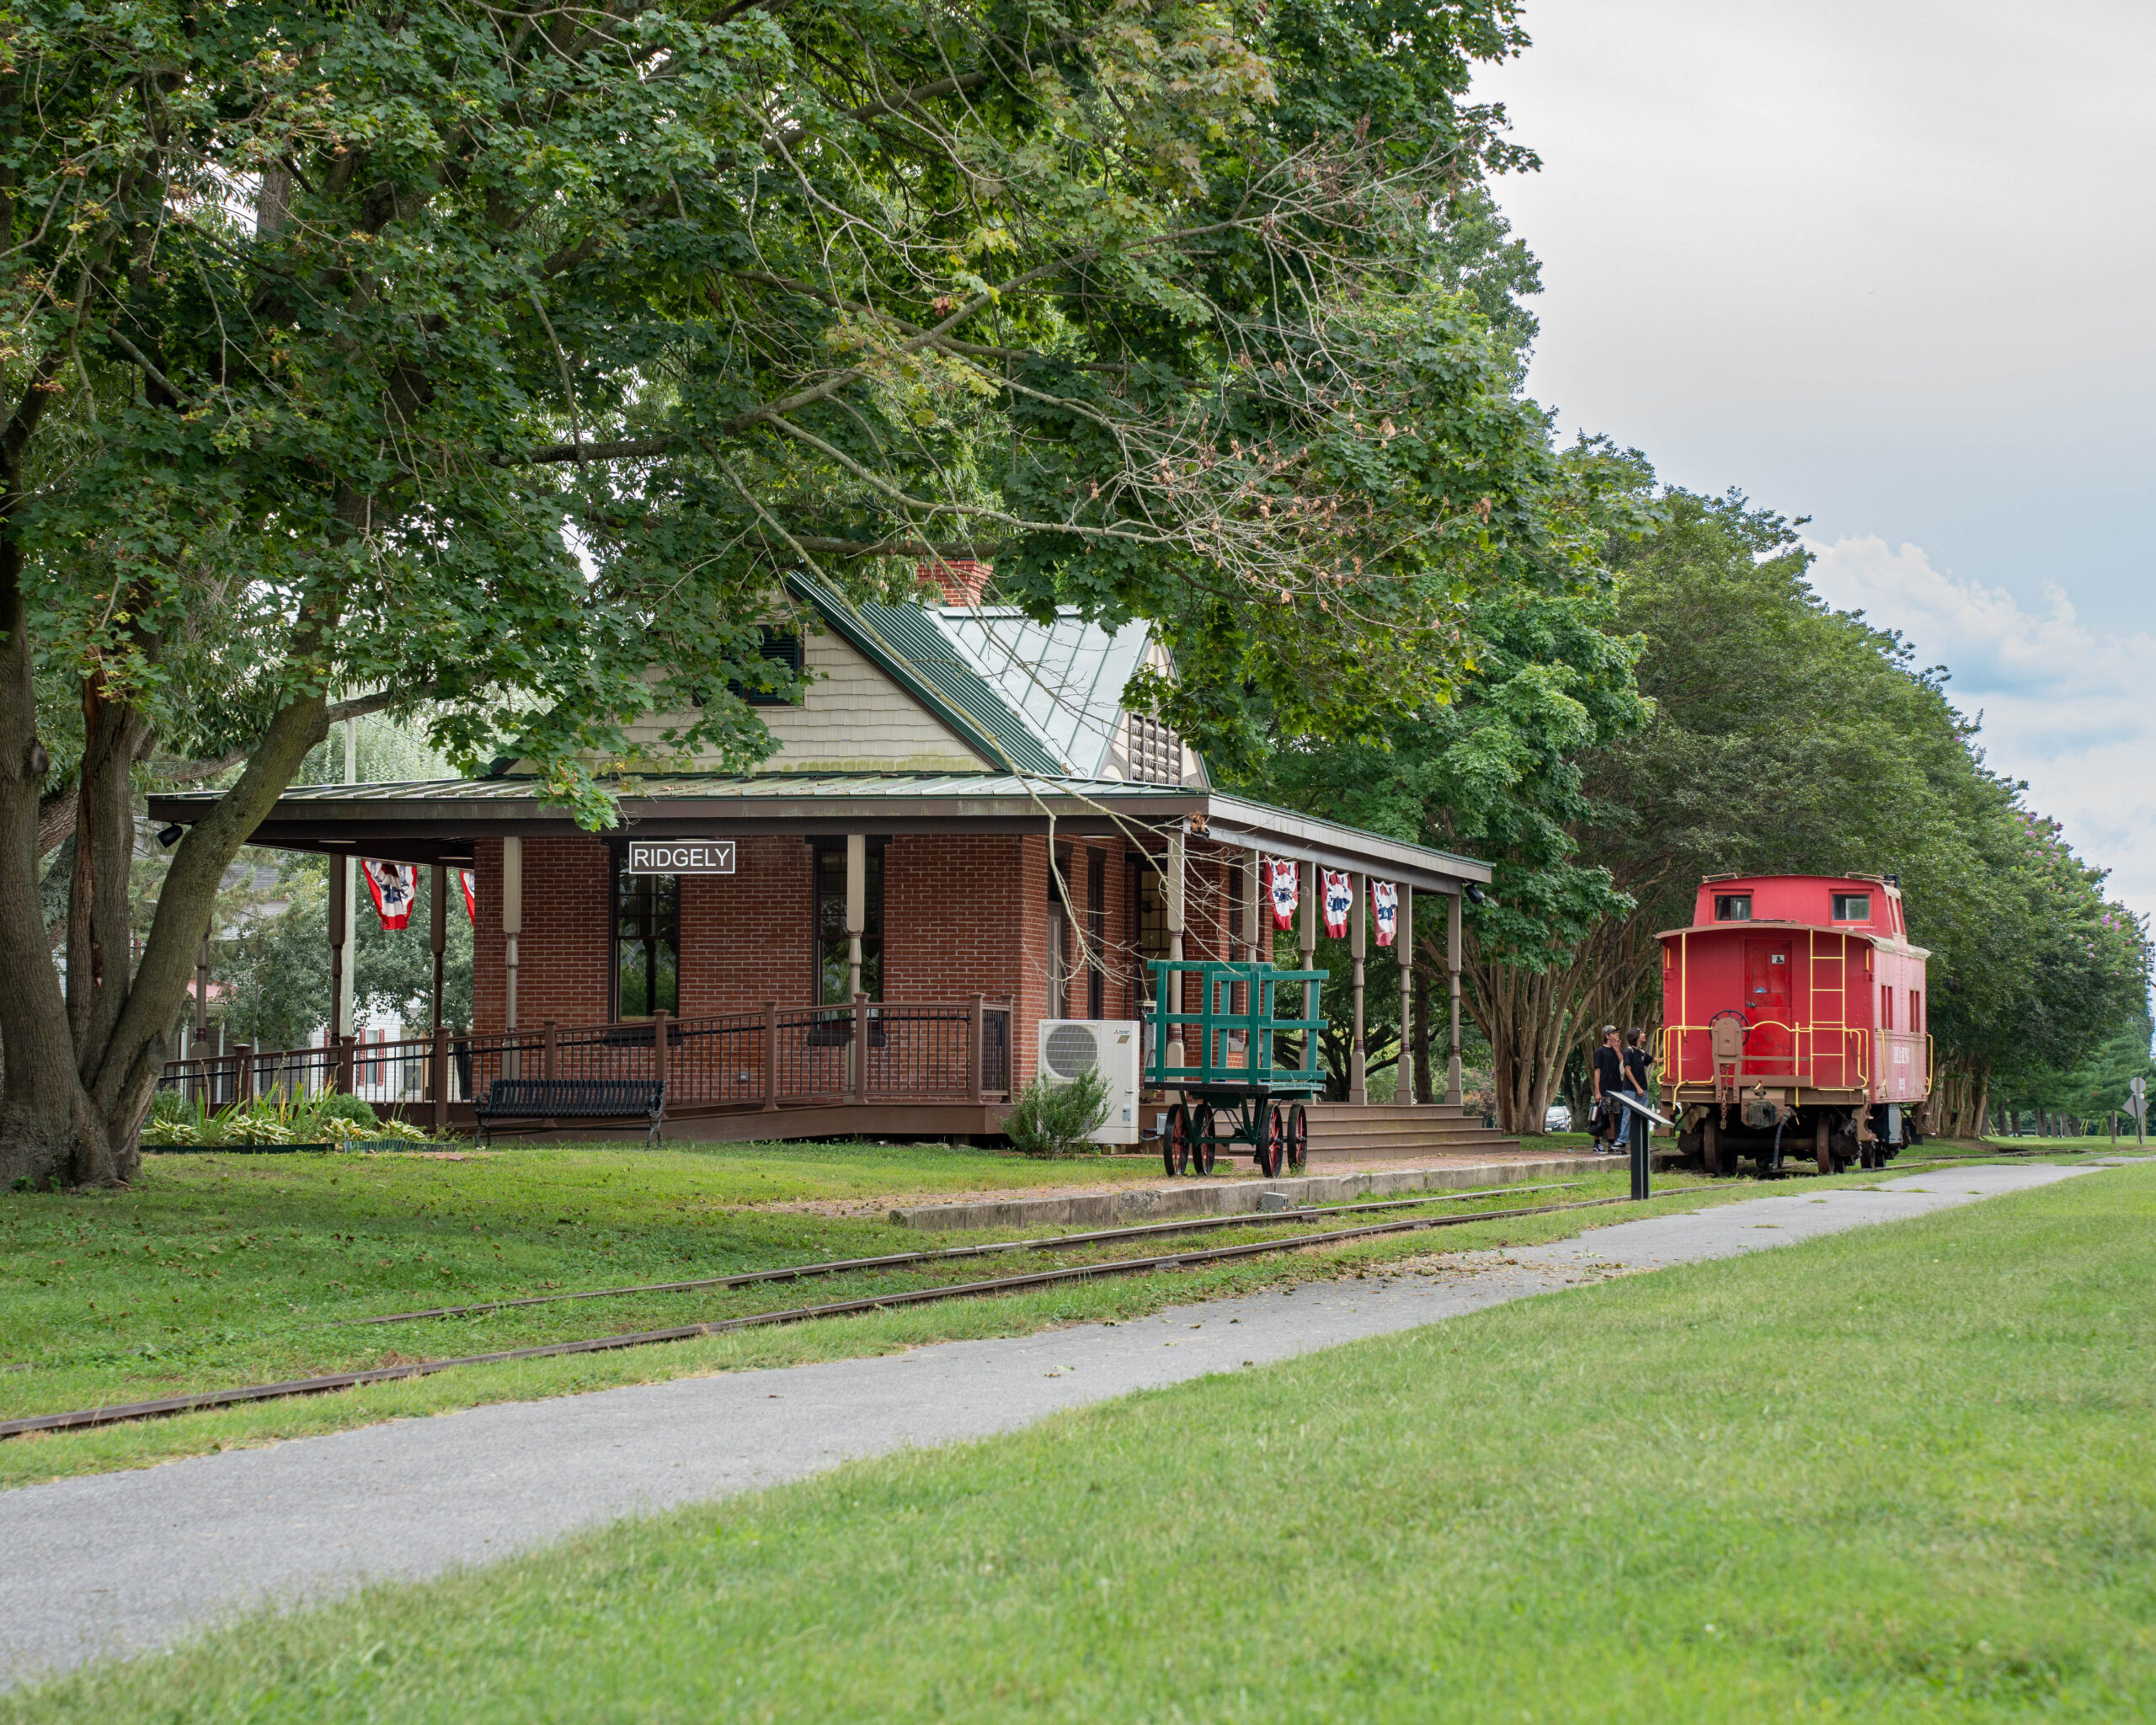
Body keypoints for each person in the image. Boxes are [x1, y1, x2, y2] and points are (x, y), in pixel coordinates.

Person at [1590, 1025, 1625, 1154]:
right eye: (1614, 1033)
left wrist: (1617, 1050)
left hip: (1616, 1089)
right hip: (1604, 1088)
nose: (1617, 1035)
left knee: (1612, 1116)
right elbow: (1597, 1071)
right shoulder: (1600, 1052)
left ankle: (1611, 1143)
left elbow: (1624, 1064)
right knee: (1601, 1116)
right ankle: (1597, 1142)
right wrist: (1597, 1090)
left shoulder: (1619, 1050)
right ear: (1607, 1036)